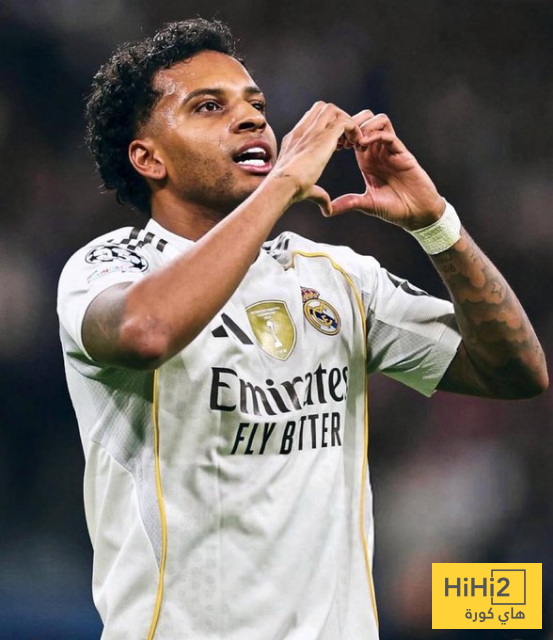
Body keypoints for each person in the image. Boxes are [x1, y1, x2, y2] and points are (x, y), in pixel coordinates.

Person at [57, 18, 547, 640]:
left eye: (257, 106)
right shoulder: (108, 268)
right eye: (209, 106)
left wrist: (436, 224)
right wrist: (286, 182)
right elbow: (146, 331)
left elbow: (516, 372)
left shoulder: (337, 276)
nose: (251, 119)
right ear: (148, 158)